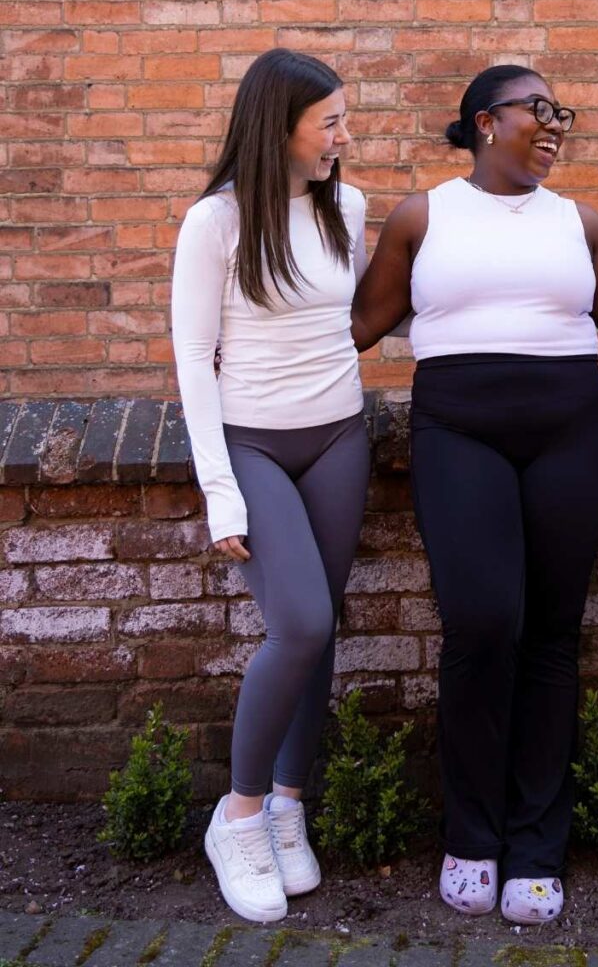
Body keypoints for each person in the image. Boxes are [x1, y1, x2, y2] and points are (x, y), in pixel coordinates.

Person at [351, 65, 598, 924]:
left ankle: (536, 849)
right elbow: (358, 327)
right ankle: (470, 837)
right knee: (482, 624)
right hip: (458, 433)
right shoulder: (423, 215)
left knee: (552, 636)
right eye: (538, 112)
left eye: (563, 115)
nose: (554, 126)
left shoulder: (580, 224)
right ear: (486, 122)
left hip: (567, 431)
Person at [171, 48, 370, 923]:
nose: (343, 135)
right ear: (278, 126)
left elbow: (341, 325)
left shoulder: (346, 208)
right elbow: (193, 360)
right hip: (254, 443)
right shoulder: (213, 224)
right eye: (329, 121)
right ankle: (239, 816)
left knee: (320, 633)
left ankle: (290, 804)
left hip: (339, 436)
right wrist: (220, 488)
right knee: (301, 622)